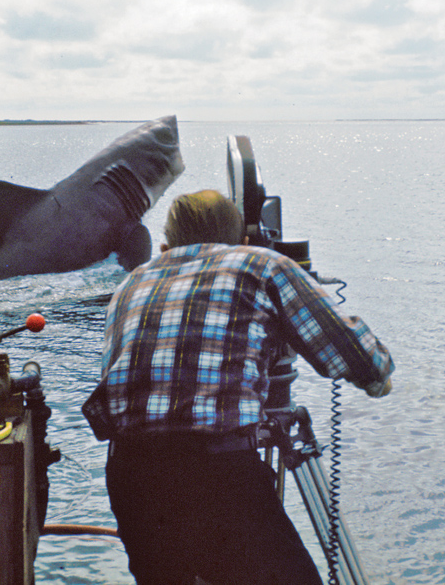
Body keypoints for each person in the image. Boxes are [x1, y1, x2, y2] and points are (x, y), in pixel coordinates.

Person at [83, 189, 394, 585]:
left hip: (130, 473)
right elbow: (359, 357)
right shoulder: (260, 264)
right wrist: (377, 379)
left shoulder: (132, 282)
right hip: (216, 472)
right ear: (243, 242)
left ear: (165, 246)